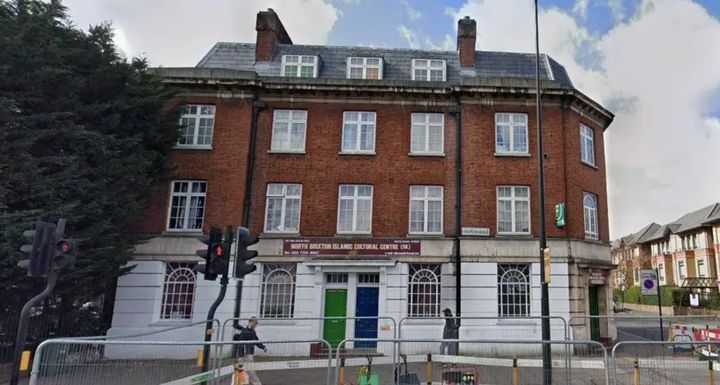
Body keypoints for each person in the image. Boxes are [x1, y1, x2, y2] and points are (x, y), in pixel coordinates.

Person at [233, 317, 267, 385]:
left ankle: (257, 383)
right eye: (255, 323)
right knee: (239, 371)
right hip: (242, 354)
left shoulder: (253, 332)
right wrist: (239, 355)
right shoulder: (244, 331)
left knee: (250, 371)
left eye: (256, 323)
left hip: (248, 354)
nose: (256, 325)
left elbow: (256, 341)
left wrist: (263, 347)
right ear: (250, 322)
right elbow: (240, 343)